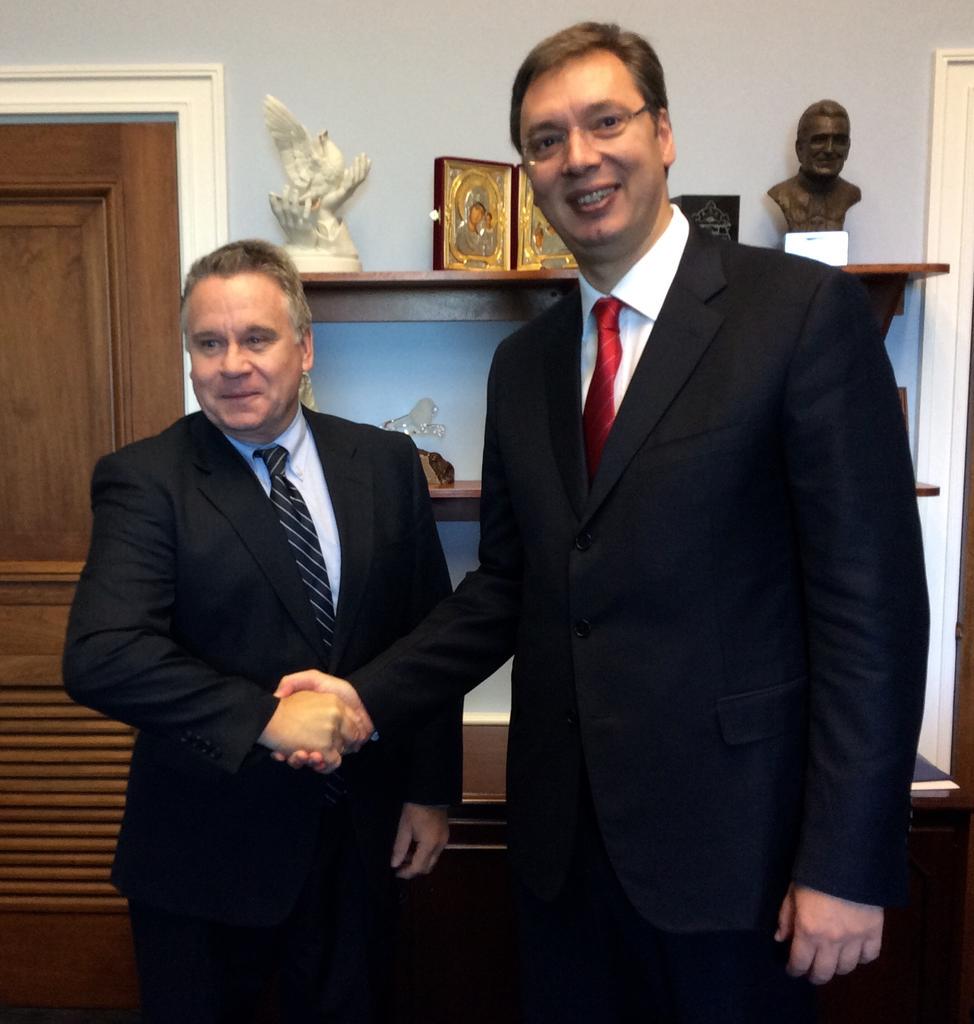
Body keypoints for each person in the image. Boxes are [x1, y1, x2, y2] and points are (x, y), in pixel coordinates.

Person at [282, 22, 928, 1023]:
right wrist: (366, 695)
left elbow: (871, 609)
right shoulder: (525, 365)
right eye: (545, 140)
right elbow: (508, 585)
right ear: (528, 174)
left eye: (605, 122)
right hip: (563, 859)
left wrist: (847, 859)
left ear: (662, 133)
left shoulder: (800, 315)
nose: (577, 157)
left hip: (740, 859)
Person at [62, 239, 461, 1024]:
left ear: (304, 348)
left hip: (361, 845)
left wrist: (430, 791)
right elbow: (103, 654)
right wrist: (267, 718)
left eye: (256, 338)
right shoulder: (146, 479)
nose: (232, 364)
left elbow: (428, 636)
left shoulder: (385, 462)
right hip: (206, 861)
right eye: (209, 343)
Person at [768, 99, 862, 232]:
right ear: (800, 148)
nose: (829, 149)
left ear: (847, 149)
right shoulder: (781, 194)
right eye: (819, 140)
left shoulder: (851, 194)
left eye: (839, 141)